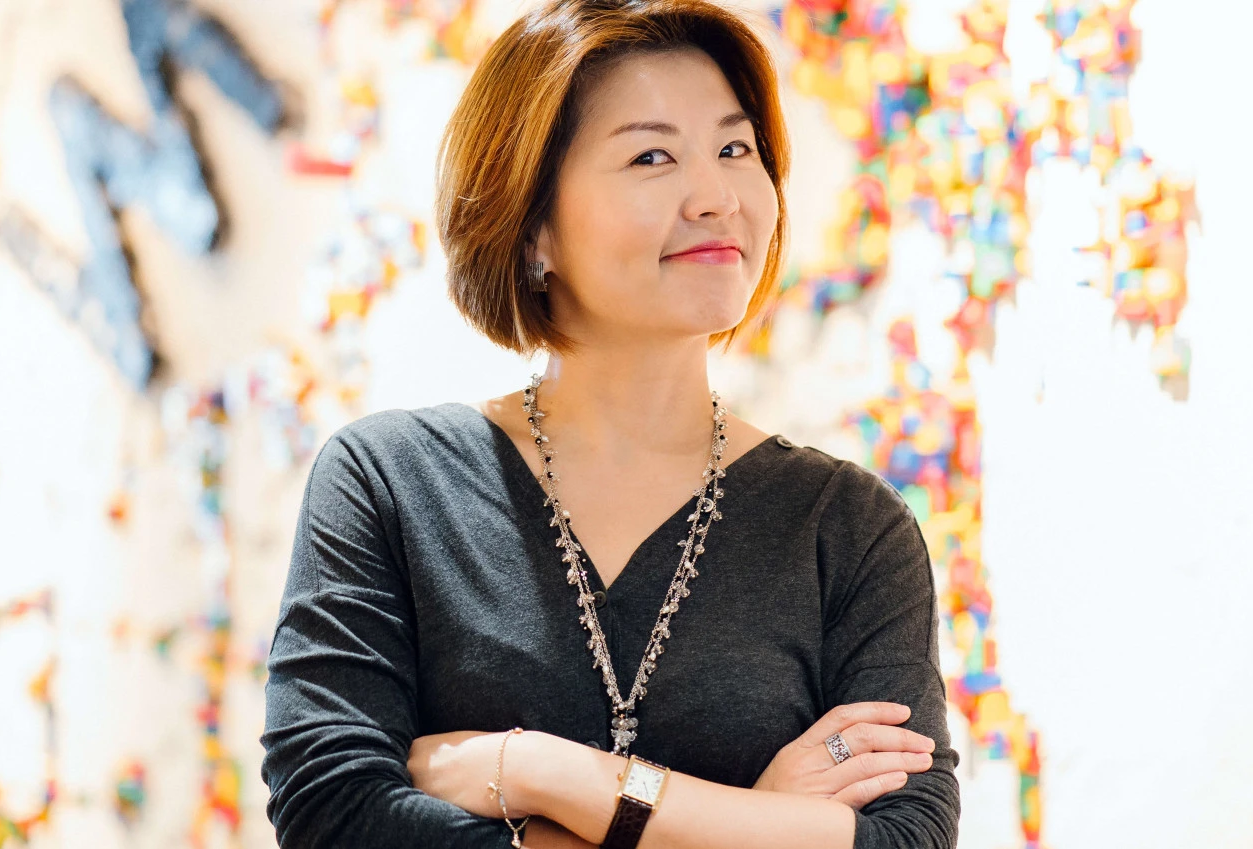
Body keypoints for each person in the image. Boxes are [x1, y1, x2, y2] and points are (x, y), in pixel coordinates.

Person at [259, 0, 960, 845]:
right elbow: (332, 813)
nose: (717, 196)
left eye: (736, 148)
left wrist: (543, 773)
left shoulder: (848, 527)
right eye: (651, 155)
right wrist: (760, 822)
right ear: (532, 229)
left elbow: (908, 836)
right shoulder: (389, 483)